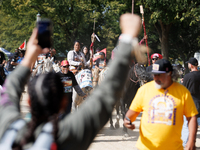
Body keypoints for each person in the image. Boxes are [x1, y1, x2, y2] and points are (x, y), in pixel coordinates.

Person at [0, 13, 143, 149]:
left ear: (29, 101)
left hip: (80, 69)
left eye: (79, 46)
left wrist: (31, 54)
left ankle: (87, 89)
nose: (78, 47)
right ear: (63, 101)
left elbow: (10, 86)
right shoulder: (67, 137)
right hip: (72, 70)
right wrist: (128, 38)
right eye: (77, 46)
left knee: (92, 72)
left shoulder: (7, 125)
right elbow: (106, 95)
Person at [124, 59, 198, 150]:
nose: (156, 78)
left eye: (159, 75)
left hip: (173, 147)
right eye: (154, 75)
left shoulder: (183, 92)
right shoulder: (144, 90)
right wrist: (127, 120)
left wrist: (192, 140)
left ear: (170, 73)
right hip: (146, 147)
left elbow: (191, 117)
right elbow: (132, 111)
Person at [181, 57, 200, 147]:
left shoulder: (188, 76)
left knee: (186, 125)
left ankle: (186, 143)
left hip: (191, 103)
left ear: (191, 65)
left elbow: (184, 90)